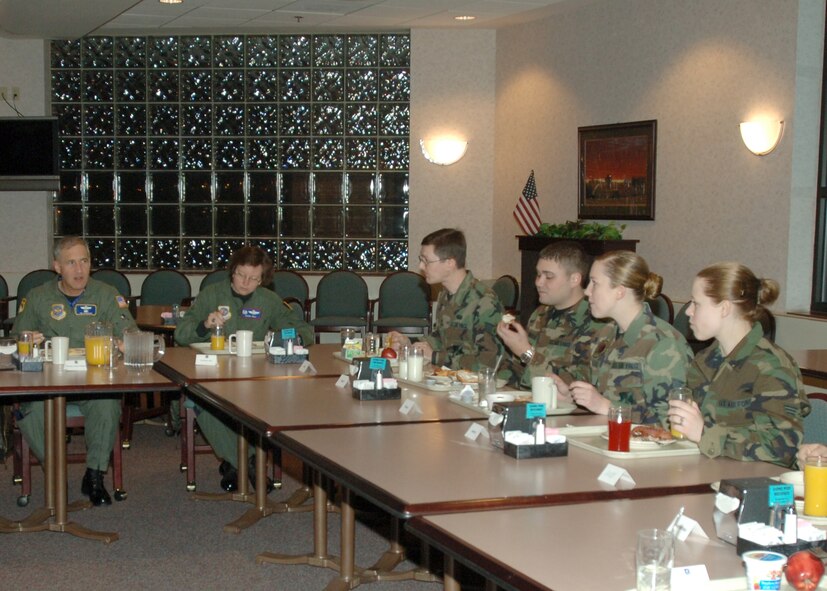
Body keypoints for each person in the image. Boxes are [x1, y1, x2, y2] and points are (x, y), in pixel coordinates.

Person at [174, 246, 312, 492]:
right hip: (214, 375)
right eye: (241, 275)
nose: (246, 282)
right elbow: (181, 334)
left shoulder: (269, 301)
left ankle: (234, 465)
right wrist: (205, 324)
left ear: (263, 280)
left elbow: (304, 332)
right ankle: (248, 464)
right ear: (232, 271)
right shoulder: (211, 295)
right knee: (200, 401)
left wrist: (285, 336)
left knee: (271, 403)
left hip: (255, 377)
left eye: (254, 278)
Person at [11, 236, 137, 506]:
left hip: (92, 377)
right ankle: (55, 470)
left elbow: (131, 333)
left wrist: (123, 342)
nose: (79, 270)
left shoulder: (106, 295)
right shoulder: (38, 297)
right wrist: (27, 338)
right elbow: (16, 337)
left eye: (84, 261)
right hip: (47, 379)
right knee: (30, 411)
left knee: (107, 405)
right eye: (71, 263)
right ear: (57, 266)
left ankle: (94, 474)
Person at [668, 263, 809, 467]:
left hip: (754, 484)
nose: (688, 311)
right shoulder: (704, 361)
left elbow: (782, 447)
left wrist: (704, 433)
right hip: (707, 470)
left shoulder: (771, 366)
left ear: (724, 308)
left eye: (696, 303)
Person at [555, 251, 692, 424]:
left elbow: (671, 421)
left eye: (595, 283)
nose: (587, 291)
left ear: (619, 291)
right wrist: (571, 397)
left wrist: (607, 407)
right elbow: (596, 396)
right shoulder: (605, 335)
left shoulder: (663, 344)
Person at [390, 228, 504, 371]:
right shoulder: (446, 294)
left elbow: (489, 362)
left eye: (426, 261)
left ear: (449, 263)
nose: (420, 266)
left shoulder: (484, 301)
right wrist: (410, 343)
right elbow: (440, 338)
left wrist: (435, 357)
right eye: (421, 260)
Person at [496, 241, 603, 389]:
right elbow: (517, 369)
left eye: (549, 276)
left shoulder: (596, 321)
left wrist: (526, 353)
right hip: (528, 402)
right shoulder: (541, 313)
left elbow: (577, 385)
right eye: (538, 275)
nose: (539, 282)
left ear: (574, 279)